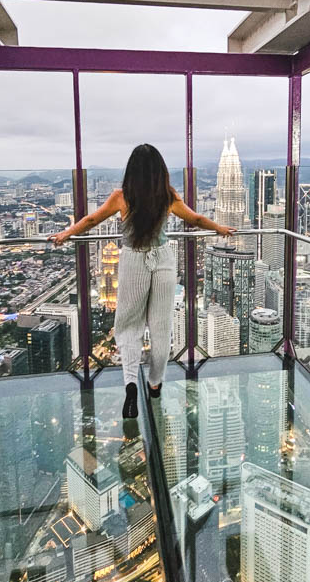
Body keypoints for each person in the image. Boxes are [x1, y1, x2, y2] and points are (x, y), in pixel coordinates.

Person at [50, 144, 235, 417]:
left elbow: (90, 220)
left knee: (128, 325)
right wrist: (219, 228)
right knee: (161, 328)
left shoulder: (120, 197)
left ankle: (130, 384)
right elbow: (194, 219)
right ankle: (155, 383)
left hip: (134, 259)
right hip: (163, 260)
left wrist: (67, 233)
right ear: (160, 171)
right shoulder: (169, 196)